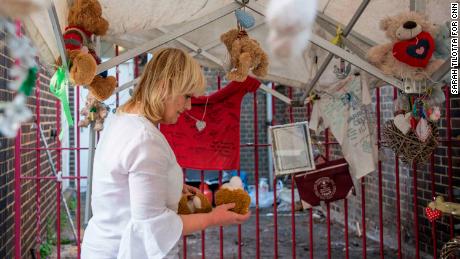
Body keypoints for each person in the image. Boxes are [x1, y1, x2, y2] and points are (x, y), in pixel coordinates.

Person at [81, 48, 251, 259]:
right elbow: (152, 225)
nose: (189, 106)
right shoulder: (144, 138)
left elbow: (127, 188)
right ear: (165, 86)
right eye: (187, 96)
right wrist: (214, 218)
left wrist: (172, 186)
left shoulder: (122, 119)